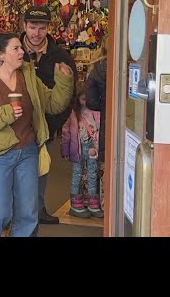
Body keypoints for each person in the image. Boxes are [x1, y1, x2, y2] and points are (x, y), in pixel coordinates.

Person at [0, 32, 73, 237]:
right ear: (1, 55)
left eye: (21, 48)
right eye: (16, 48)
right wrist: (5, 113)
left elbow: (53, 103)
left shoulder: (28, 78)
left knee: (28, 214)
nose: (22, 51)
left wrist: (64, 80)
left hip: (28, 152)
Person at [20, 5, 76, 225]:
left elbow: (68, 94)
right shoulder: (11, 51)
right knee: (12, 169)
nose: (36, 33)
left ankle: (37, 208)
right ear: (24, 26)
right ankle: (11, 212)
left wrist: (53, 125)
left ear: (48, 29)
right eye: (32, 27)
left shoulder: (60, 56)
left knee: (40, 169)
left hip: (44, 127)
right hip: (14, 125)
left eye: (41, 28)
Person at [61, 83, 103, 218]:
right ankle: (76, 203)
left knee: (92, 174)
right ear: (78, 99)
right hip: (78, 149)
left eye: (87, 99)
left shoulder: (95, 113)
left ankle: (92, 202)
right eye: (83, 99)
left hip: (92, 147)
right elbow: (66, 132)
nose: (85, 102)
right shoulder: (74, 115)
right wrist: (65, 151)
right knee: (77, 175)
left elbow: (98, 130)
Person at [86, 55, 107, 208]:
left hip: (105, 120)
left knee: (105, 164)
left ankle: (103, 203)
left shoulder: (97, 69)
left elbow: (92, 102)